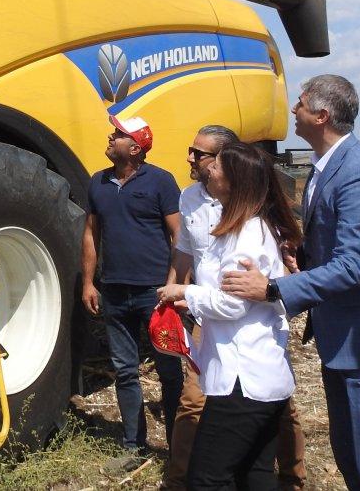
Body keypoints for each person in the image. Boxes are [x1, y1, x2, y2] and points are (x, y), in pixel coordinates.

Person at [222, 75, 360, 490]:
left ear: (321, 115)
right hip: (345, 338)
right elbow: (337, 246)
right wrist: (300, 257)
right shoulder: (328, 167)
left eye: (299, 103)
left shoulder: (358, 173)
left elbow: (354, 265)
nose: (293, 110)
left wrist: (272, 289)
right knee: (353, 459)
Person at [162, 126, 306, 491]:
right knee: (254, 475)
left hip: (243, 379)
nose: (207, 170)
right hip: (252, 377)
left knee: (208, 480)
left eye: (217, 166)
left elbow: (231, 304)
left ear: (236, 182)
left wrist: (186, 293)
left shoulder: (247, 234)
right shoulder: (239, 226)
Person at [81, 114, 183, 472]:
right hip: (113, 292)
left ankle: (178, 451)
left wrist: (172, 285)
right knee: (125, 371)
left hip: (154, 296)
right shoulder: (99, 182)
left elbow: (179, 237)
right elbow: (91, 235)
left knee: (170, 373)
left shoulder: (161, 182)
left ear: (135, 148)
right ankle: (134, 447)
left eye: (118, 134)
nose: (111, 137)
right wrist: (89, 282)